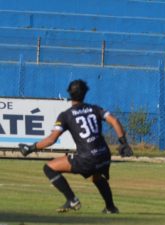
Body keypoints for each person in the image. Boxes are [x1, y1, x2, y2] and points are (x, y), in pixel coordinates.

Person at [18, 79, 133, 213]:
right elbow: (114, 120)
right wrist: (124, 143)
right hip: (104, 156)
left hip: (87, 159)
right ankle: (111, 207)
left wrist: (31, 148)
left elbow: (51, 140)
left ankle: (71, 199)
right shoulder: (95, 109)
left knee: (49, 168)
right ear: (85, 93)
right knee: (96, 176)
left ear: (69, 94)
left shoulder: (66, 115)